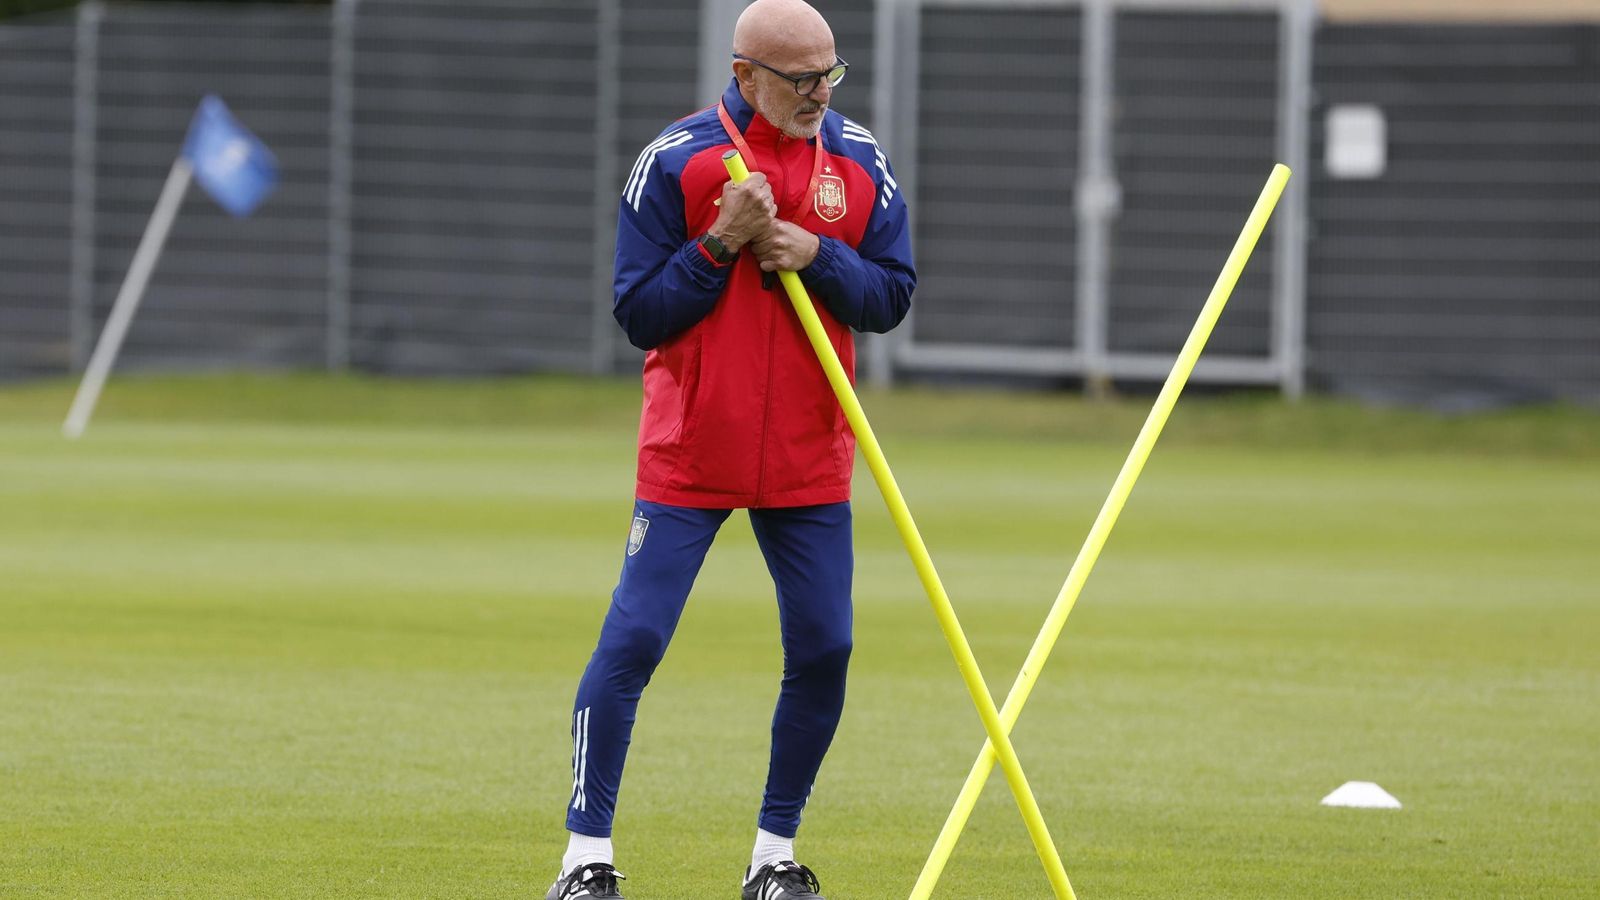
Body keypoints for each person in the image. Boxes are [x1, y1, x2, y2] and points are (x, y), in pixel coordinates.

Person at [546, 1, 913, 897]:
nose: (820, 93)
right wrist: (719, 243)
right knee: (635, 640)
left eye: (831, 73)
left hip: (809, 453)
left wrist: (815, 253)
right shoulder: (676, 160)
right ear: (745, 74)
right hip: (692, 450)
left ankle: (773, 857)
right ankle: (584, 860)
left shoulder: (859, 160)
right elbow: (639, 313)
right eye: (801, 78)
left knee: (825, 647)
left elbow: (893, 295)